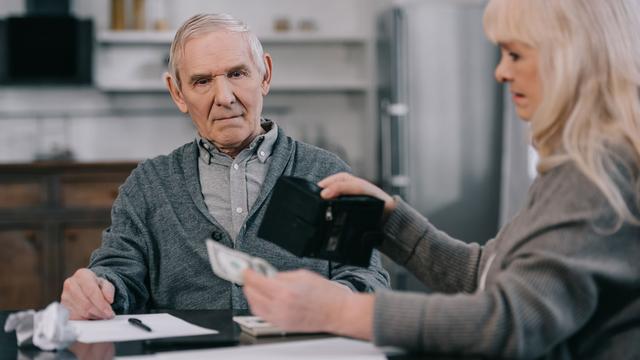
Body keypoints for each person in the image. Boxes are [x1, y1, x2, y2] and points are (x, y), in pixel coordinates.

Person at [242, 0, 640, 358]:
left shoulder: (595, 176)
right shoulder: (576, 169)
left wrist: (339, 310)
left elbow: (509, 322)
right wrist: (387, 219)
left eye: (515, 54)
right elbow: (483, 275)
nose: (500, 72)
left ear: (569, 59)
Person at [59, 13, 390, 320]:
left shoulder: (326, 172)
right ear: (177, 93)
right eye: (202, 81)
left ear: (265, 75)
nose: (225, 96)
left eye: (237, 73)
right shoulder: (147, 185)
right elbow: (119, 271)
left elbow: (366, 276)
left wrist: (334, 301)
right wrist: (98, 286)